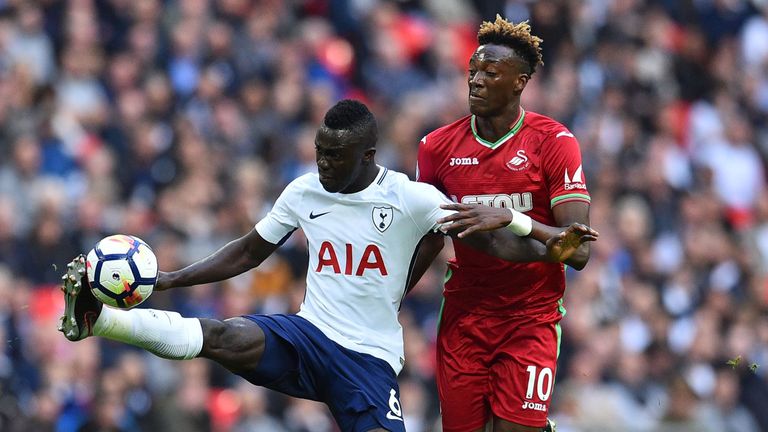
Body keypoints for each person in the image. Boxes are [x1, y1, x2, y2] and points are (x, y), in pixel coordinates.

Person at [58, 100, 596, 432]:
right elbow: (249, 251)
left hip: (369, 360)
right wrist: (169, 279)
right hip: (310, 335)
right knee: (222, 336)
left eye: (334, 156)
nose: (322, 164)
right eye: (319, 152)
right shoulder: (304, 191)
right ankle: (97, 320)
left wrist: (545, 239)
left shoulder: (412, 198)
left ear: (367, 156)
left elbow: (490, 237)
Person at [414, 16, 593, 432]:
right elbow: (425, 238)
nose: (475, 81)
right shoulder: (436, 147)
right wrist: (389, 298)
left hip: (531, 317)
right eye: (472, 71)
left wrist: (512, 218)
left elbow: (579, 250)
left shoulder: (554, 142)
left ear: (519, 82)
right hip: (464, 318)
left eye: (489, 73)